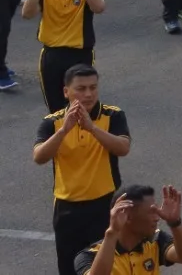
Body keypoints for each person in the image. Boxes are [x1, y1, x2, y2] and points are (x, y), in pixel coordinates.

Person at [32, 64, 131, 275]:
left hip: (104, 204)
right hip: (67, 208)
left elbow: (123, 148)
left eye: (93, 87)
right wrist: (63, 131)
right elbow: (39, 157)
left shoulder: (113, 115)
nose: (88, 94)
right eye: (81, 88)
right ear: (66, 91)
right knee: (68, 268)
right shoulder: (52, 122)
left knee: (108, 268)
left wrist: (92, 128)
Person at [23, 0, 106, 112]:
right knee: (55, 108)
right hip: (51, 55)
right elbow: (27, 14)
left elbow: (99, 7)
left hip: (80, 54)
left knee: (81, 105)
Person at [74, 183, 182, 275]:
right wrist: (112, 232)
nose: (157, 218)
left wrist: (175, 223)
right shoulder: (88, 256)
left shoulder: (155, 240)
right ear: (127, 216)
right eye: (151, 212)